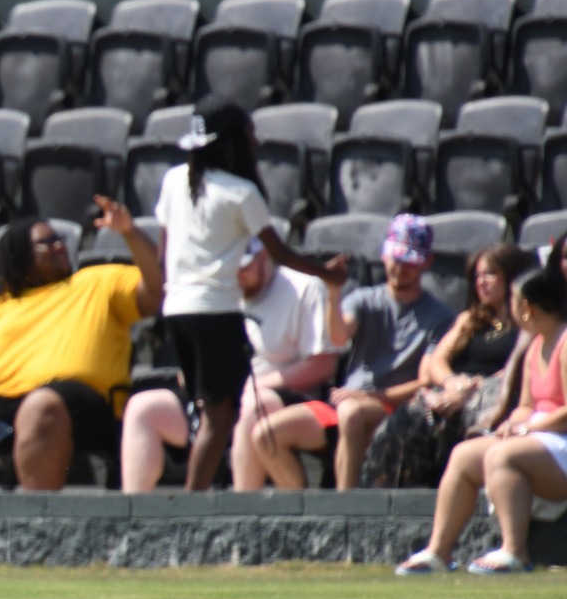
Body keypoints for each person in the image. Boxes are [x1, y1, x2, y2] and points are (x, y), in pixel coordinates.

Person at [146, 102, 349, 489]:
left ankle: (196, 500)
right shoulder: (242, 192)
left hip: (176, 309)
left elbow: (163, 252)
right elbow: (280, 254)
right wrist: (329, 274)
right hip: (215, 311)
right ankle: (192, 506)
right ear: (230, 144)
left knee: (211, 410)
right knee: (221, 416)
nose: (255, 142)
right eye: (249, 135)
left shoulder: (173, 180)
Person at [0, 201, 163, 492]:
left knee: (40, 405)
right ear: (20, 255)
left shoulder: (97, 281)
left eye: (58, 240)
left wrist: (130, 232)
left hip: (83, 406)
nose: (58, 245)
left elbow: (155, 290)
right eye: (46, 242)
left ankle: (38, 526)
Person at [249, 214, 455, 489]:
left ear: (425, 263)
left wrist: (372, 395)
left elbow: (426, 381)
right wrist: (334, 293)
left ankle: (345, 507)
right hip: (345, 403)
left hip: (395, 409)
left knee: (351, 412)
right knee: (266, 434)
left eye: (409, 261)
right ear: (384, 255)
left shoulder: (439, 316)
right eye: (396, 258)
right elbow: (338, 335)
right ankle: (304, 512)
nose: (400, 267)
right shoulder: (364, 299)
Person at [397, 241, 567, 575]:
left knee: (501, 456)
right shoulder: (535, 345)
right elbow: (526, 406)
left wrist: (528, 428)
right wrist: (511, 425)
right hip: (539, 438)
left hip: (559, 442)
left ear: (528, 309)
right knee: (464, 455)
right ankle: (439, 551)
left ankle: (514, 551)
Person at [119, 238, 342, 491]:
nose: (237, 274)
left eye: (243, 266)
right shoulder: (221, 291)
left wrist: (254, 387)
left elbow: (323, 364)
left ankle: (239, 516)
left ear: (263, 257)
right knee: (143, 407)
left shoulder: (304, 288)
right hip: (224, 398)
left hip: (285, 400)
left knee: (252, 404)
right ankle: (132, 518)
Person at [361, 241, 531, 488]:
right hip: (456, 390)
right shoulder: (469, 319)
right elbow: (437, 362)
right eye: (477, 276)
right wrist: (452, 384)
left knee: (487, 406)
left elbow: (523, 365)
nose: (481, 282)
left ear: (512, 276)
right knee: (406, 420)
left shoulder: (528, 323)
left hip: (496, 390)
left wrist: (473, 388)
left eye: (490, 274)